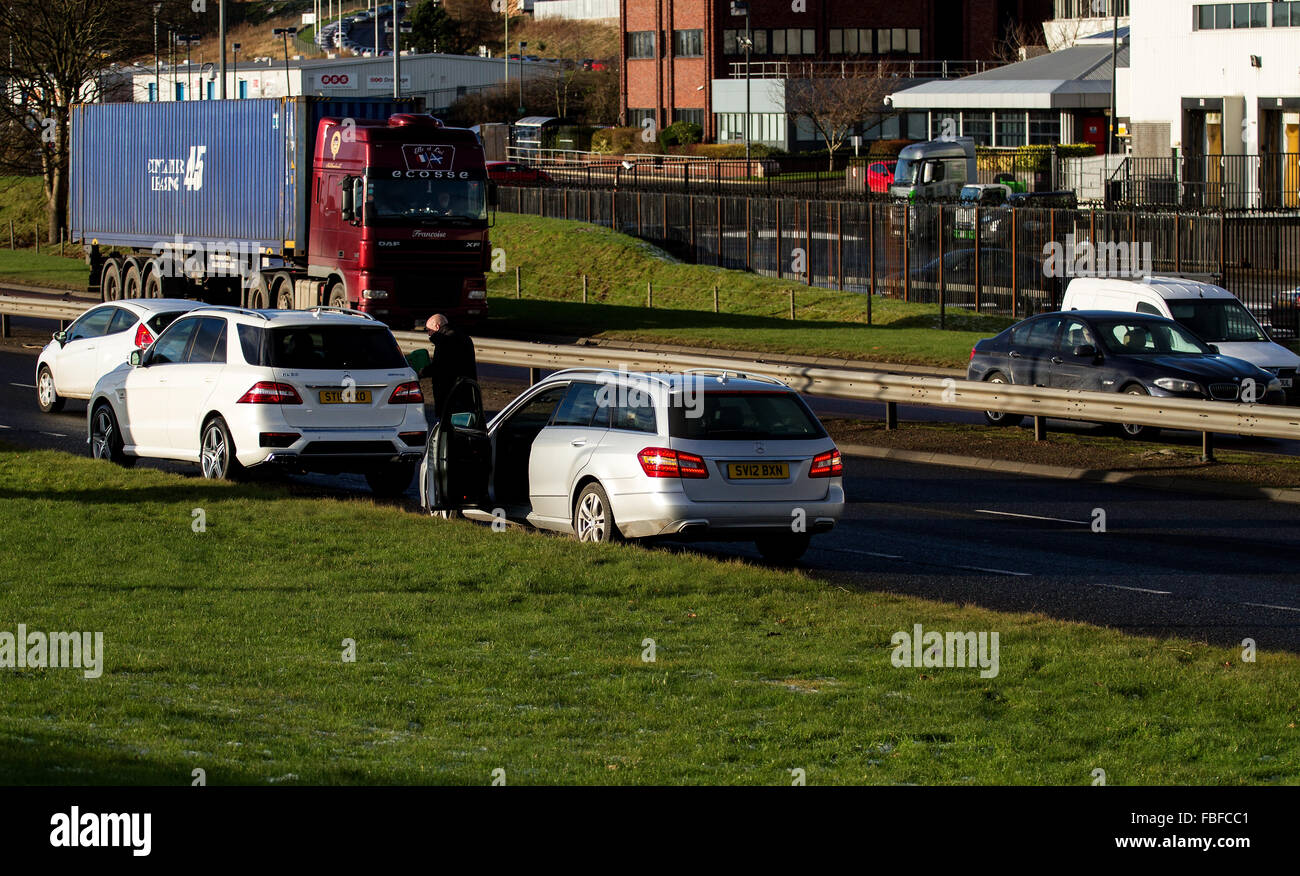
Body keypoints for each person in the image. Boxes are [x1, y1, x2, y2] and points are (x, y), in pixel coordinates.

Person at [424, 313, 477, 417]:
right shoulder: (464, 337)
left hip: (450, 394)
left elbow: (439, 366)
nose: (429, 334)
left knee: (450, 426)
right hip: (466, 390)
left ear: (437, 327)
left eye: (428, 330)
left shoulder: (445, 339)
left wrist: (421, 372)